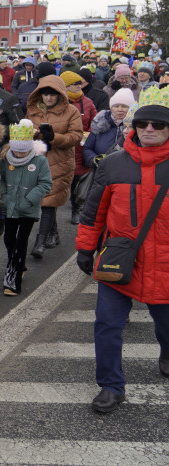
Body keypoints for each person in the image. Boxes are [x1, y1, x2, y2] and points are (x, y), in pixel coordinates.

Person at [75, 86, 169, 414]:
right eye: (143, 124)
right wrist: (85, 249)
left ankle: (167, 352)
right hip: (119, 258)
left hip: (165, 264)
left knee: (166, 324)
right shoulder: (114, 164)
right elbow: (94, 212)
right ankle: (111, 386)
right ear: (134, 127)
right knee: (107, 324)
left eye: (158, 126)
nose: (150, 130)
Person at [25, 75, 84, 258]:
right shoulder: (33, 111)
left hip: (61, 160)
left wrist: (53, 137)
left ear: (60, 94)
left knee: (49, 202)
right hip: (38, 160)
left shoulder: (71, 111)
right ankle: (54, 233)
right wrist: (32, 134)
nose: (49, 98)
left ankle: (40, 242)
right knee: (48, 199)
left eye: (53, 94)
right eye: (45, 94)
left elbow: (76, 136)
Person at [0, 121, 53, 295]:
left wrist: (29, 199)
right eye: (17, 150)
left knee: (21, 241)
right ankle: (18, 264)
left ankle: (12, 279)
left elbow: (45, 183)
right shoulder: (6, 159)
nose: (20, 154)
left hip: (28, 209)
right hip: (9, 207)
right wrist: (5, 197)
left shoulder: (39, 160)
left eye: (24, 150)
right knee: (9, 238)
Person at [62, 70, 98, 225]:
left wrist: (88, 135)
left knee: (79, 183)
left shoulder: (88, 103)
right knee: (64, 182)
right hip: (63, 149)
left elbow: (95, 125)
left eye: (79, 83)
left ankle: (77, 209)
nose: (79, 86)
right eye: (75, 84)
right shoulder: (59, 103)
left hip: (82, 149)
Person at [83, 89, 134, 170]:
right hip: (100, 169)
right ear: (111, 107)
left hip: (125, 169)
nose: (120, 109)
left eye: (124, 106)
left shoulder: (135, 127)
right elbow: (87, 147)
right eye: (116, 106)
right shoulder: (99, 124)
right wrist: (94, 160)